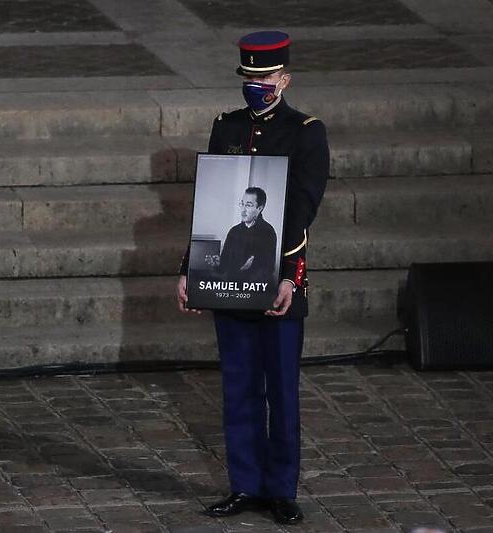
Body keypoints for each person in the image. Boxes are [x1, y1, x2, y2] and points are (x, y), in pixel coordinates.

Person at [176, 30, 329, 525]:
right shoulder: (226, 127)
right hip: (230, 280)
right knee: (238, 386)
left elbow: (301, 212)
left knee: (281, 388)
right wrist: (190, 271)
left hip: (280, 279)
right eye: (249, 77)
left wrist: (290, 277)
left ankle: (281, 488)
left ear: (284, 78)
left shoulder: (306, 132)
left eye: (264, 78)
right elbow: (211, 207)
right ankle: (245, 484)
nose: (256, 85)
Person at [217, 187, 276, 284]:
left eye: (248, 205)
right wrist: (218, 263)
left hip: (254, 289)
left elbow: (268, 269)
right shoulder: (234, 231)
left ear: (259, 208)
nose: (243, 210)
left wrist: (248, 268)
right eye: (242, 204)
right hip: (230, 285)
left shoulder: (268, 232)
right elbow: (223, 265)